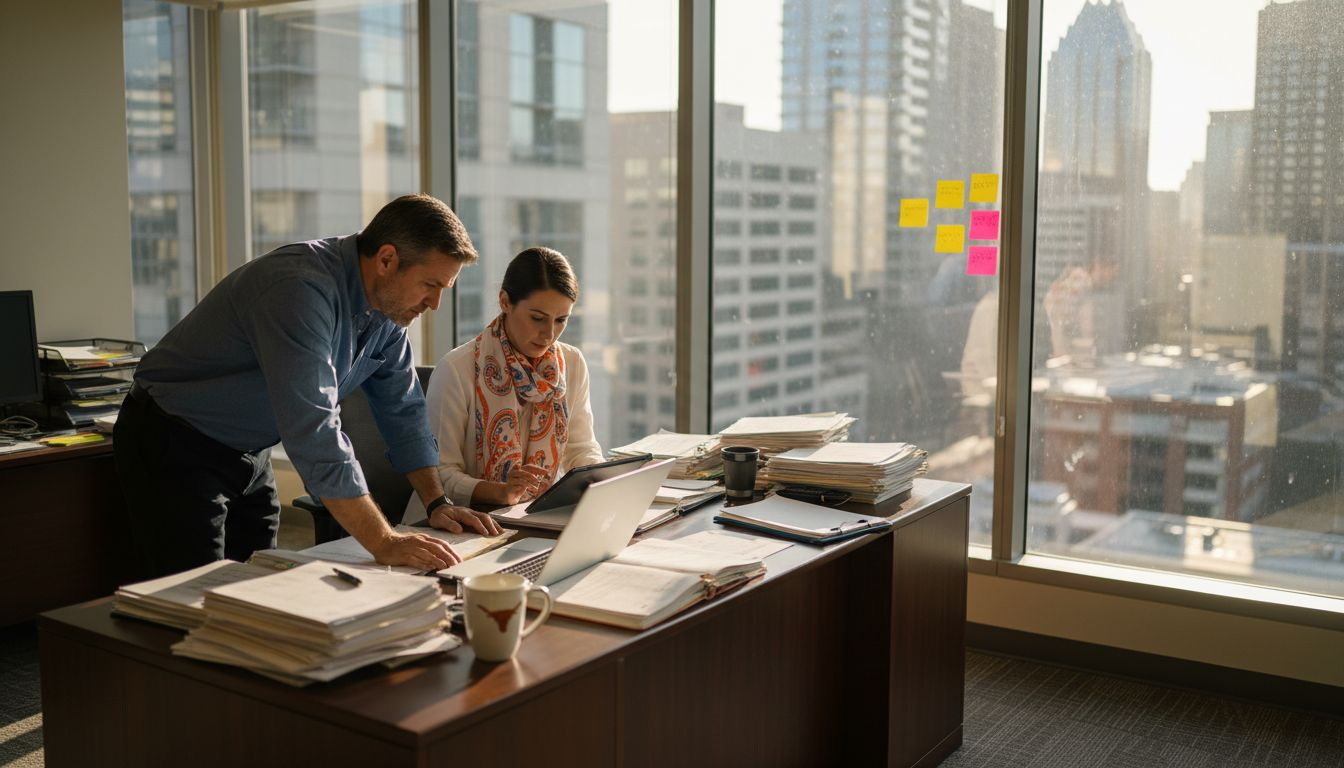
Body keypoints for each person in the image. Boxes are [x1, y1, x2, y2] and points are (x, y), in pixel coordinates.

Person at [115, 194, 501, 580]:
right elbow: (315, 431)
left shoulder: (387, 311)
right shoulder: (299, 289)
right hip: (175, 442)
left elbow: (404, 411)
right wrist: (384, 541)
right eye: (430, 285)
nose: (434, 303)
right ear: (387, 260)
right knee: (188, 601)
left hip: (251, 451)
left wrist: (437, 501)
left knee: (256, 591)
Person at [410, 246, 604, 516]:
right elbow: (439, 474)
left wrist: (600, 479)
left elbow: (580, 448)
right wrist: (500, 492)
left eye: (561, 320)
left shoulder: (571, 363)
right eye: (537, 318)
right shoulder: (457, 368)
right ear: (504, 301)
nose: (549, 334)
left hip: (535, 516)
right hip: (457, 520)